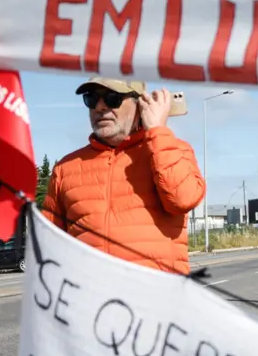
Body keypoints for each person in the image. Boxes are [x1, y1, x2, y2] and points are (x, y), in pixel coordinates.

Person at [44, 78, 205, 274]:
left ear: (141, 105)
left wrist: (157, 131)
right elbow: (50, 245)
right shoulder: (65, 168)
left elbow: (183, 199)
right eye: (92, 99)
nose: (100, 107)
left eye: (113, 98)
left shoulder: (172, 149)